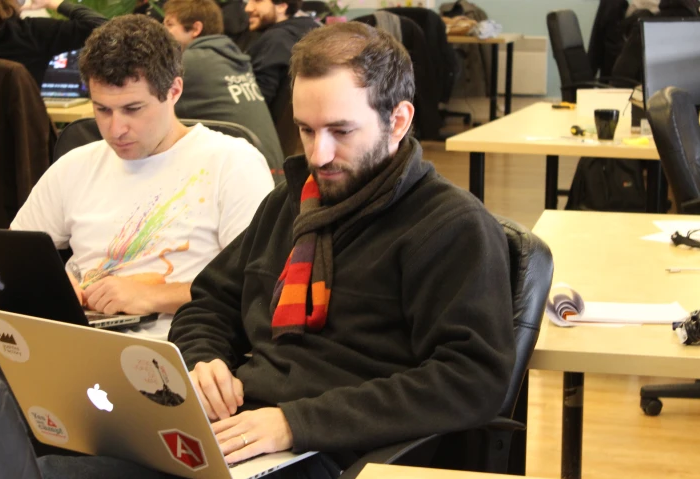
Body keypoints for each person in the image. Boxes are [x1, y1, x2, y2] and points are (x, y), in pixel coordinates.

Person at [38, 22, 515, 479]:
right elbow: (211, 302)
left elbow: (472, 378)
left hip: (330, 453)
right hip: (239, 434)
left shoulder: (451, 227)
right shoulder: (290, 204)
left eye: (341, 132)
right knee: (34, 462)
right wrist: (204, 361)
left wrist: (295, 423)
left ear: (398, 120)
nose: (319, 155)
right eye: (306, 130)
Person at [0, 15, 273, 375]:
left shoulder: (231, 162)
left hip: (166, 347)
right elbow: (9, 260)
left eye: (132, 109)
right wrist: (49, 284)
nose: (116, 129)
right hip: (68, 336)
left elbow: (253, 290)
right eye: (102, 109)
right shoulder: (76, 165)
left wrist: (150, 295)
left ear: (174, 91)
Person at [163, 0, 286, 182]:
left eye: (170, 25)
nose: (162, 31)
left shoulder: (191, 62)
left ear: (195, 29)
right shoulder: (233, 59)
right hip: (275, 176)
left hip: (247, 180)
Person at [244, 0, 318, 109]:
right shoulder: (312, 34)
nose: (248, 8)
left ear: (281, 7)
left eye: (257, 1)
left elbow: (256, 99)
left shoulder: (276, 40)